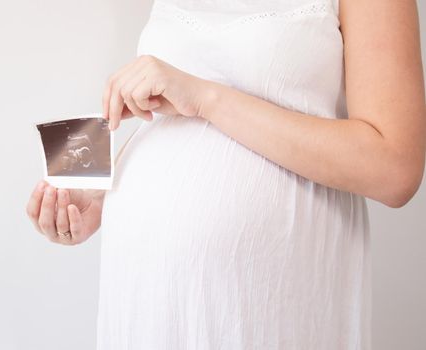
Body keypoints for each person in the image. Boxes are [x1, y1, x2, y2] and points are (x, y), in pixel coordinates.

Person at [26, 0, 426, 348]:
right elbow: (167, 116)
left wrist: (205, 97)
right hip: (146, 303)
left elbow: (394, 167)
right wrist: (102, 193)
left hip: (264, 304)